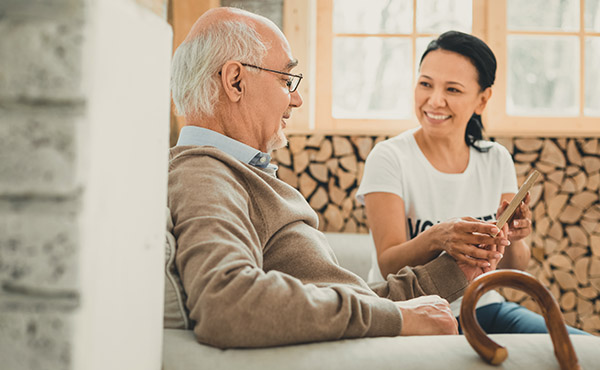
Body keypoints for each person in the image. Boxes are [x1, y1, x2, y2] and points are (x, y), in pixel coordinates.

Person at [168, 9, 505, 349]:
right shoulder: (205, 174)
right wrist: (399, 318)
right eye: (286, 80)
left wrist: (458, 270)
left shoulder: (233, 173)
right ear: (235, 81)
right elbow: (227, 305)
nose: (296, 98)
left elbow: (345, 298)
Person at [357, 31, 588, 335]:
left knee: (579, 347)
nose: (435, 100)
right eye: (425, 84)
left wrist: (514, 237)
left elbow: (514, 267)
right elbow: (388, 265)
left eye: (452, 89)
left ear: (483, 99)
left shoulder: (495, 159)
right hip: (413, 310)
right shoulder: (388, 157)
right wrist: (438, 237)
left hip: (484, 305)